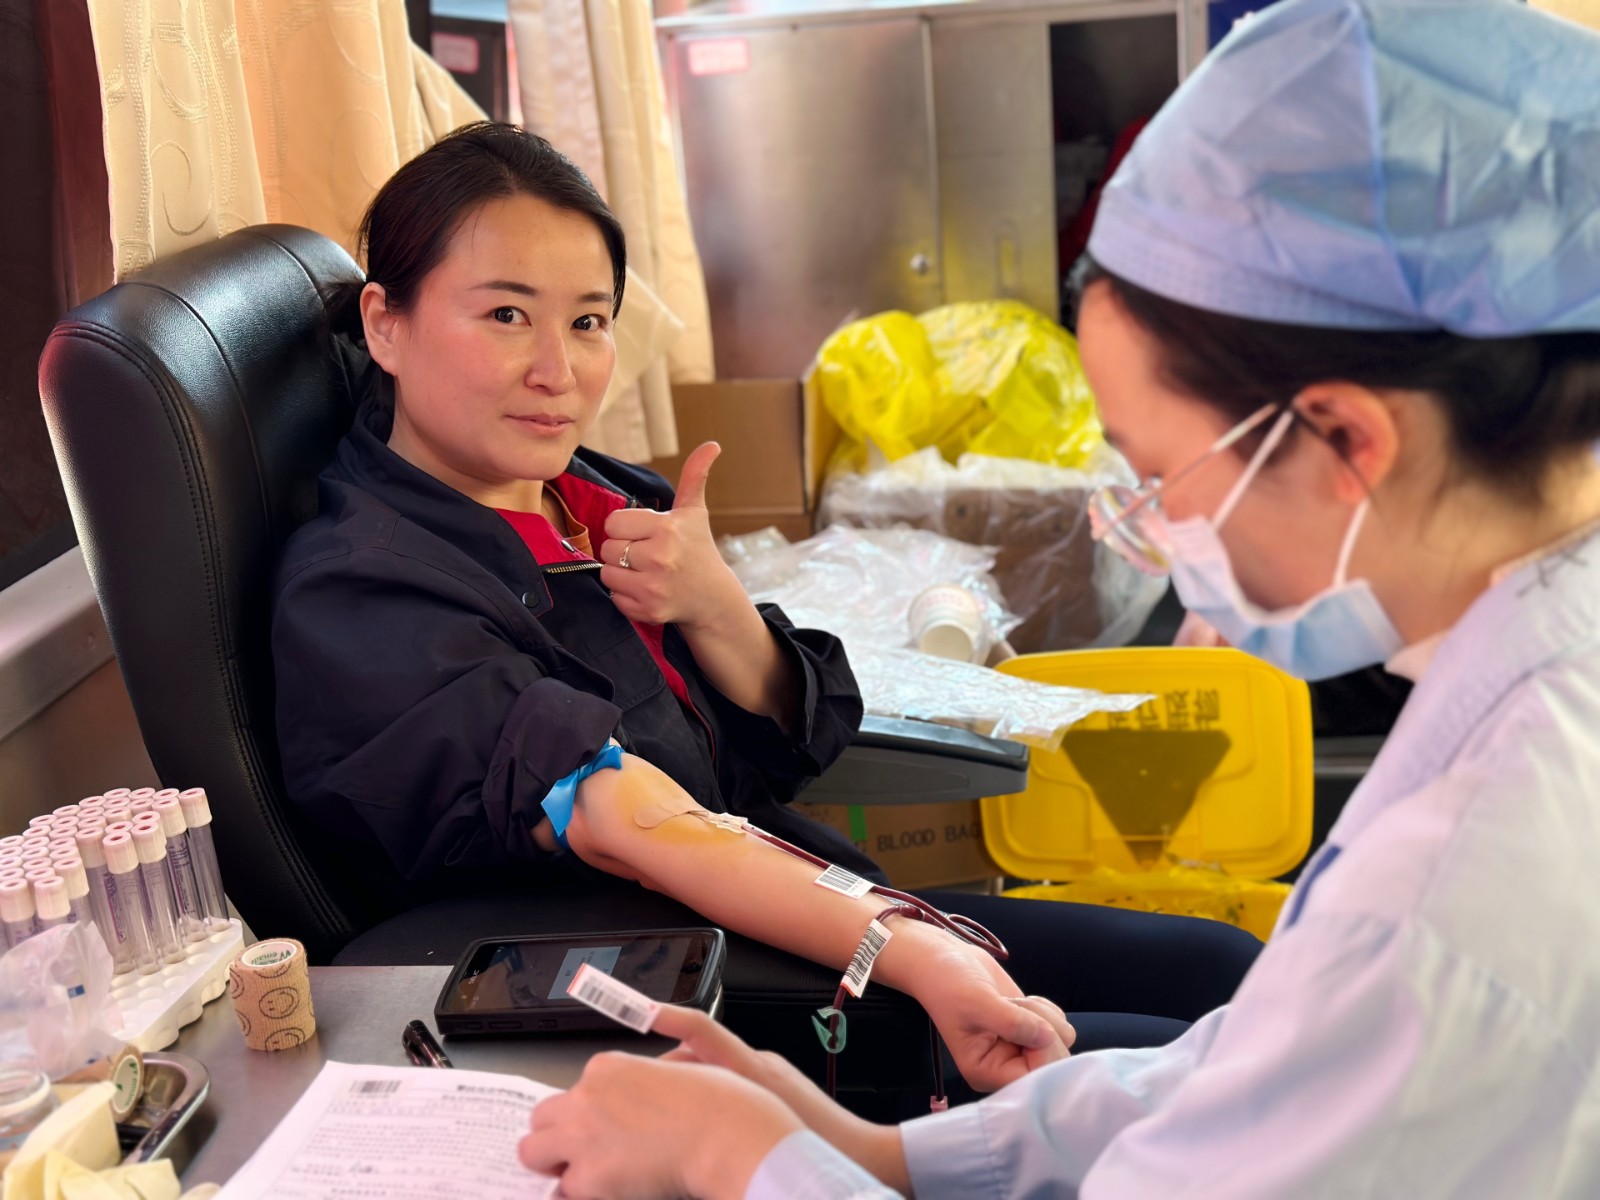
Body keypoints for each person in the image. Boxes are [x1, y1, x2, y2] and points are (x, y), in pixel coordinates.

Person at [514, 0, 1600, 1194]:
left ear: (1344, 437)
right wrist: (883, 1156)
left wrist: (749, 1162)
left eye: (1158, 475)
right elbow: (1256, 1081)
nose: (1149, 526)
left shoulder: (1460, 891)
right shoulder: (1531, 657)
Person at [271, 123, 1259, 1094]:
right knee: (1197, 1078)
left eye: (588, 322)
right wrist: (916, 951)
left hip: (796, 906)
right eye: (505, 315)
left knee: (1225, 972)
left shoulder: (588, 498)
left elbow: (783, 745)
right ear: (385, 324)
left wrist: (714, 605)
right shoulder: (364, 590)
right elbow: (623, 817)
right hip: (663, 997)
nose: (557, 371)